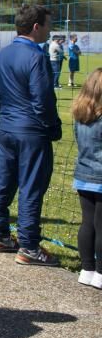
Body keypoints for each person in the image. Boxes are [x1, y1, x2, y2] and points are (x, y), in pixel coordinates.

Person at [0, 4, 62, 266]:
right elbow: (43, 97)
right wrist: (52, 126)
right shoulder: (37, 57)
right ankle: (29, 246)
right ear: (36, 27)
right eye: (49, 25)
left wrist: (7, 111)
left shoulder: (2, 55)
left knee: (3, 180)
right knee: (31, 186)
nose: (50, 31)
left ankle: (1, 235)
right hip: (31, 131)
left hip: (7, 128)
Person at [72, 67, 102, 289]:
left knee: (87, 223)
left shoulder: (80, 115)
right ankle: (100, 272)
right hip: (100, 177)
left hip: (83, 175)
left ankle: (86, 269)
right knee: (100, 226)